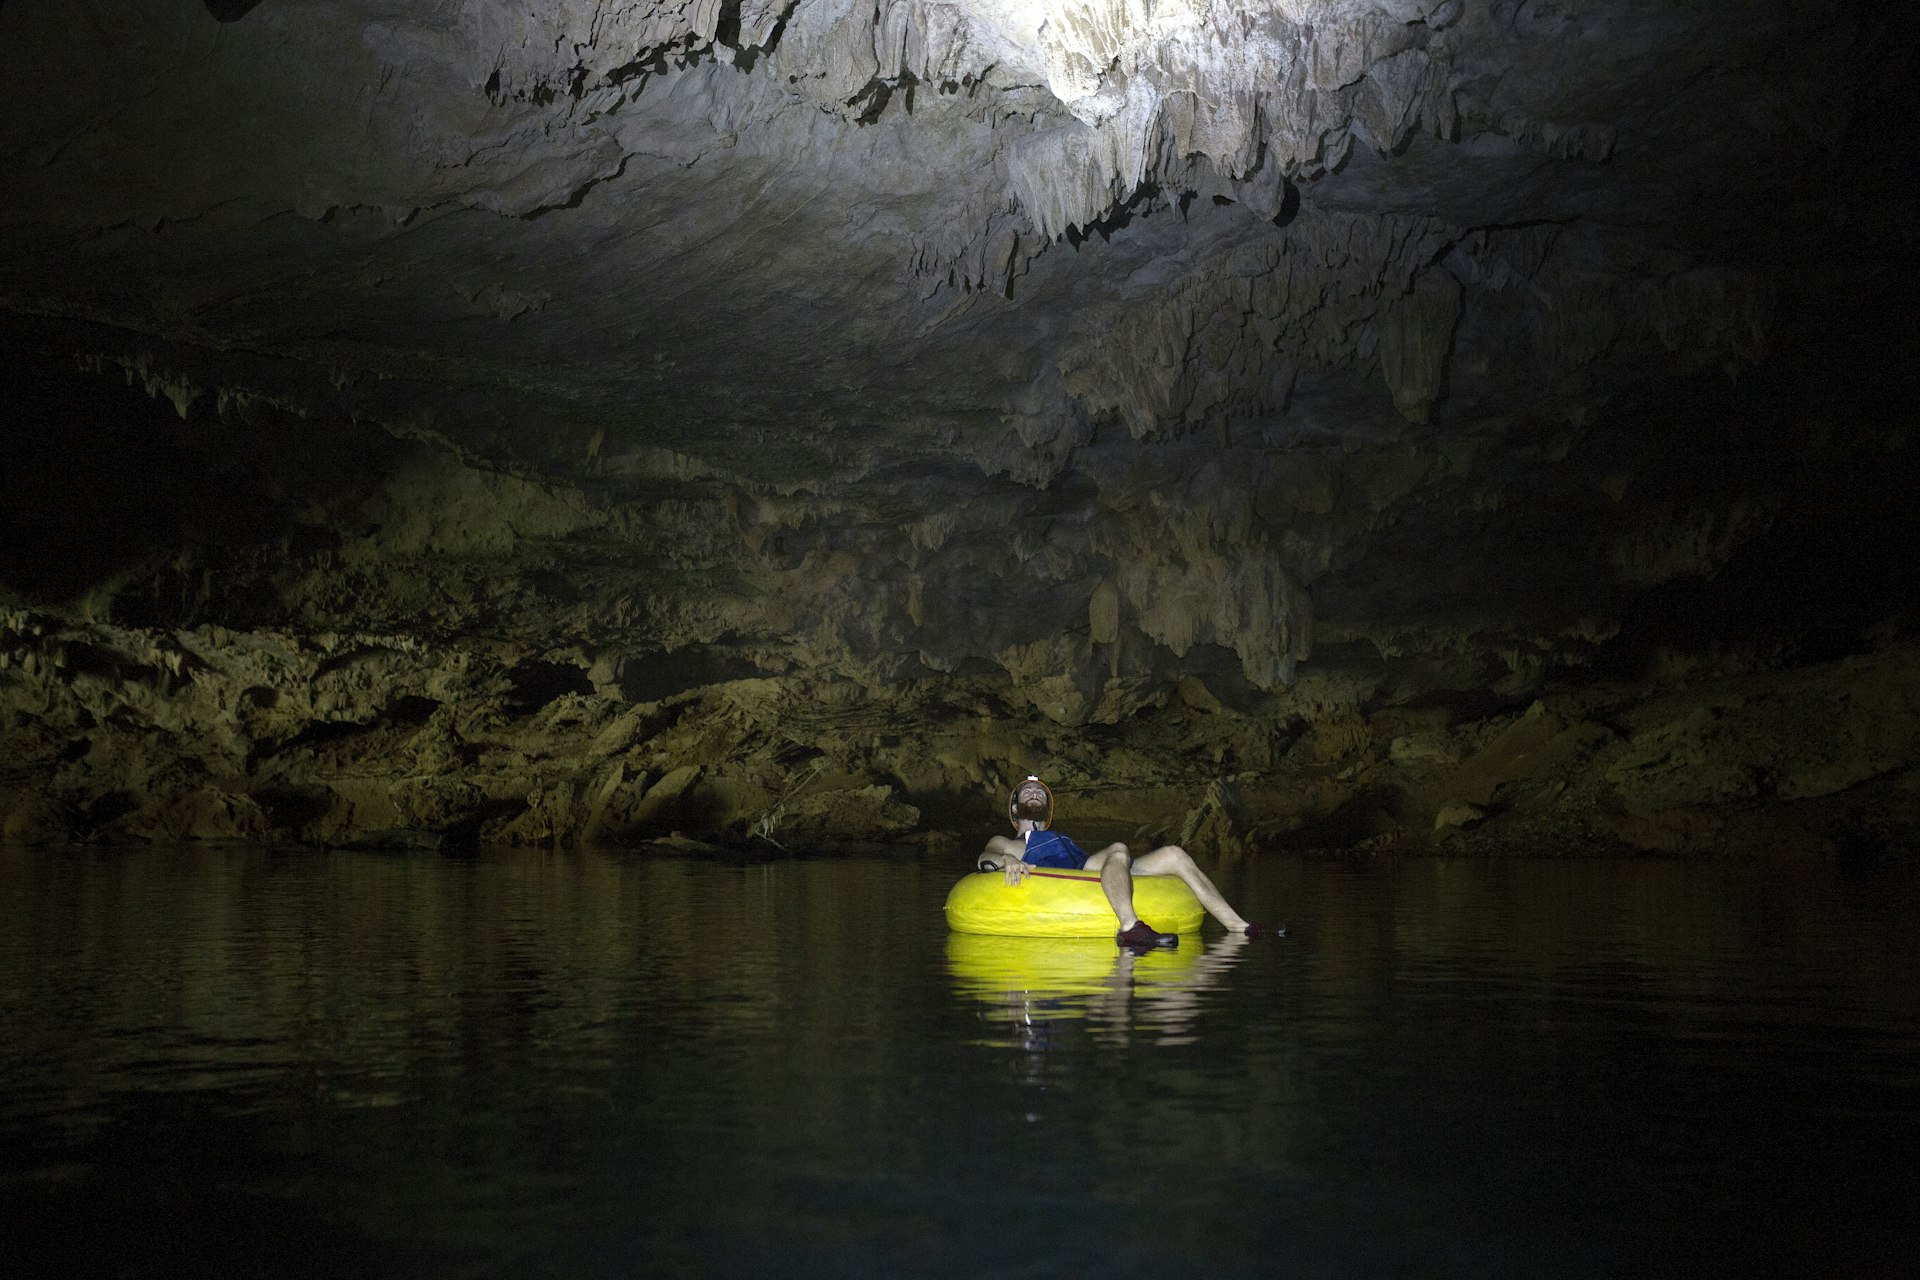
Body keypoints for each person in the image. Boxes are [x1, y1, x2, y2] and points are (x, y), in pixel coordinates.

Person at [976, 775, 1282, 948]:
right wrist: (1005, 860)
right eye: (1027, 793)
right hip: (1061, 879)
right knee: (1119, 848)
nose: (1035, 795)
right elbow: (984, 859)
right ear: (1015, 810)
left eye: (1040, 794)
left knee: (1174, 854)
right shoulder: (1009, 843)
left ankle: (1239, 926)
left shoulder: (1059, 835)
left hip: (1086, 868)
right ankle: (1130, 927)